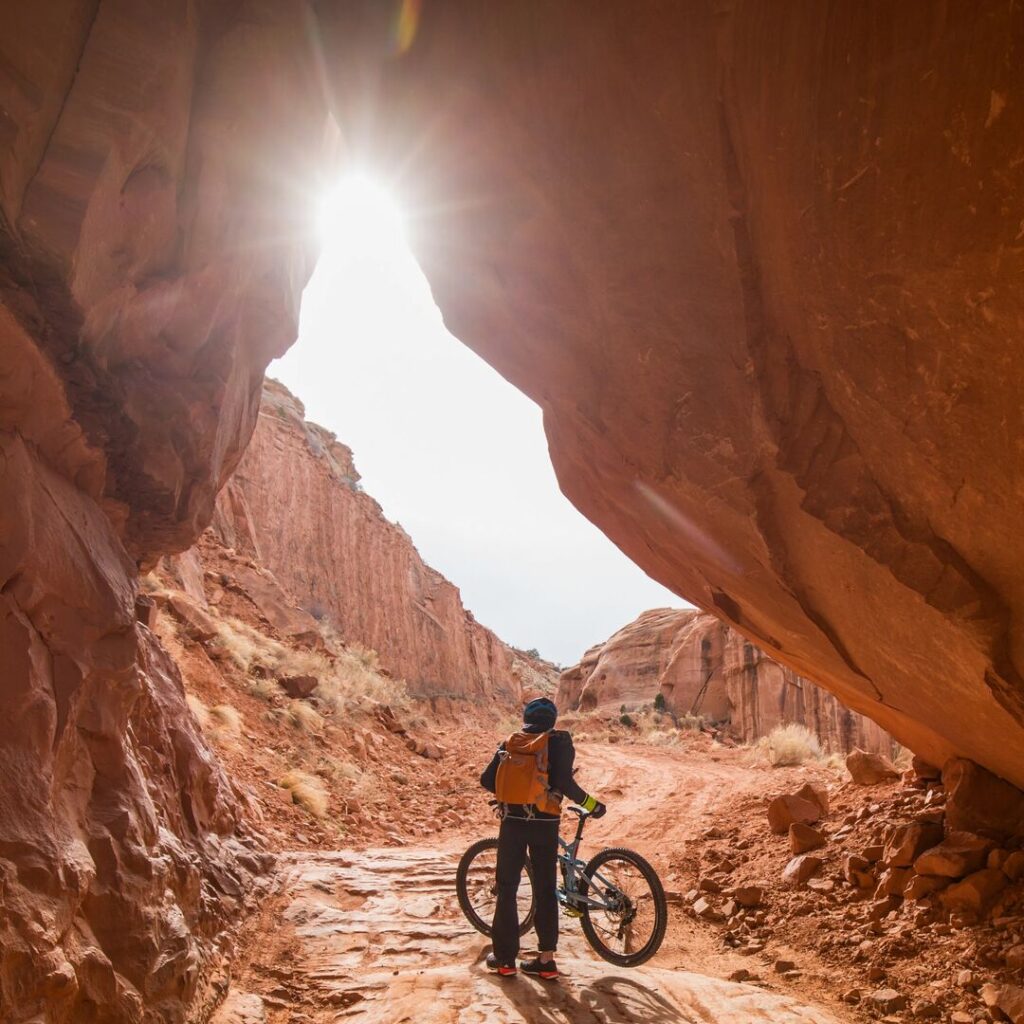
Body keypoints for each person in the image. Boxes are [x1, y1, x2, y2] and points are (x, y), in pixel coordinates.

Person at [479, 696, 606, 980]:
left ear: (526, 719)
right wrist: (592, 805)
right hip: (545, 823)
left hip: (512, 822)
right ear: (552, 721)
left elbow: (486, 780)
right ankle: (546, 961)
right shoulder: (559, 742)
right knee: (546, 888)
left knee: (507, 888)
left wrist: (510, 793)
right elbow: (565, 784)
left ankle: (504, 960)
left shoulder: (511, 742)